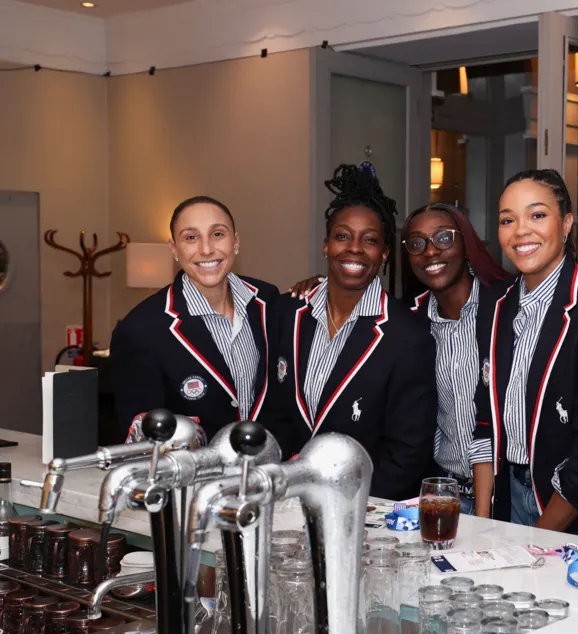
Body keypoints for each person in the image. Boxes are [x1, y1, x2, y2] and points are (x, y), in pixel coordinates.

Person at [471, 169, 578, 536]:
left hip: (573, 510)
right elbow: (485, 419)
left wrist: (535, 540)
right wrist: (481, 525)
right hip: (506, 495)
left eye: (537, 215)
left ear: (566, 224)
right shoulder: (495, 304)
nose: (520, 231)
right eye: (507, 220)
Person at [265, 162, 436, 500]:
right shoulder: (286, 313)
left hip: (364, 508)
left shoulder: (408, 336)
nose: (354, 248)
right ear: (327, 245)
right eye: (342, 236)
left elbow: (407, 451)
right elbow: (272, 411)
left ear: (385, 254)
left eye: (370, 240)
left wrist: (347, 501)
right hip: (287, 499)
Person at [111, 196, 278, 441]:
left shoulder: (268, 300)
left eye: (218, 234)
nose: (207, 249)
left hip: (269, 471)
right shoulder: (141, 329)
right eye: (191, 237)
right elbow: (142, 439)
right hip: (195, 477)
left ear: (236, 242)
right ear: (174, 250)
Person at [401, 203, 509, 516]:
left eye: (444, 238)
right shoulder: (409, 322)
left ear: (466, 245)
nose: (431, 252)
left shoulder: (505, 305)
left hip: (506, 494)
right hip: (444, 492)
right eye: (418, 243)